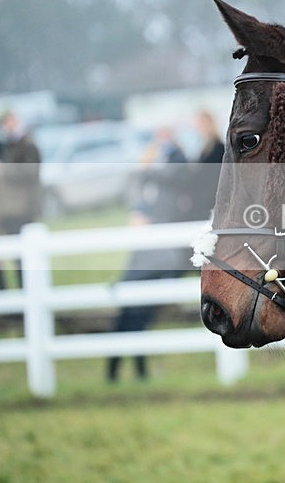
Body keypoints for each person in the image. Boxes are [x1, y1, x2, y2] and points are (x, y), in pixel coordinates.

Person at [106, 126, 191, 382]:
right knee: (130, 313)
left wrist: (150, 164)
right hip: (144, 253)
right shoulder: (156, 173)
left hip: (159, 253)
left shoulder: (173, 166)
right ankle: (117, 368)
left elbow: (166, 183)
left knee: (140, 313)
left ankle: (128, 369)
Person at [0, 110, 42, 289]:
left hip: (21, 209)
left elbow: (30, 173)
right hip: (6, 210)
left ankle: (28, 293)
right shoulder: (9, 145)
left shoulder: (28, 146)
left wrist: (3, 170)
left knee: (22, 259)